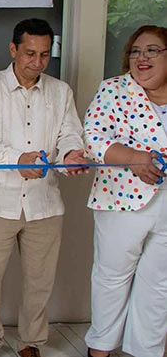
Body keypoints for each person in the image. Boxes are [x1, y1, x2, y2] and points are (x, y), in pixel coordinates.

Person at [0, 18, 88, 357]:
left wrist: (71, 154)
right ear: (13, 49)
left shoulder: (60, 91)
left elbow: (69, 134)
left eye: (45, 55)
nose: (37, 62)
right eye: (30, 53)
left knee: (40, 281)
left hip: (44, 203)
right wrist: (16, 158)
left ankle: (31, 342)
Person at [83, 25, 167, 357]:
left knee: (158, 285)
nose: (142, 58)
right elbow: (94, 137)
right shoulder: (114, 90)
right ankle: (99, 350)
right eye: (135, 51)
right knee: (111, 279)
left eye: (152, 50)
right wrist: (133, 158)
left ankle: (146, 351)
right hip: (121, 199)